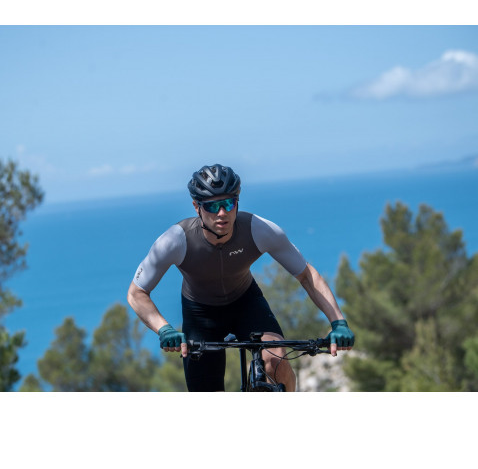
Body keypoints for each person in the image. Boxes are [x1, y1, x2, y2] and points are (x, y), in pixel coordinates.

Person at [127, 164, 355, 391]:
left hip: (246, 304)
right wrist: (164, 329)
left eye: (228, 203)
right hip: (200, 315)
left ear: (237, 202)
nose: (222, 213)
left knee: (275, 360)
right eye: (212, 206)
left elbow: (307, 275)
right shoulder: (175, 241)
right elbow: (137, 293)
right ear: (197, 207)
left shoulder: (260, 230)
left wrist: (338, 322)